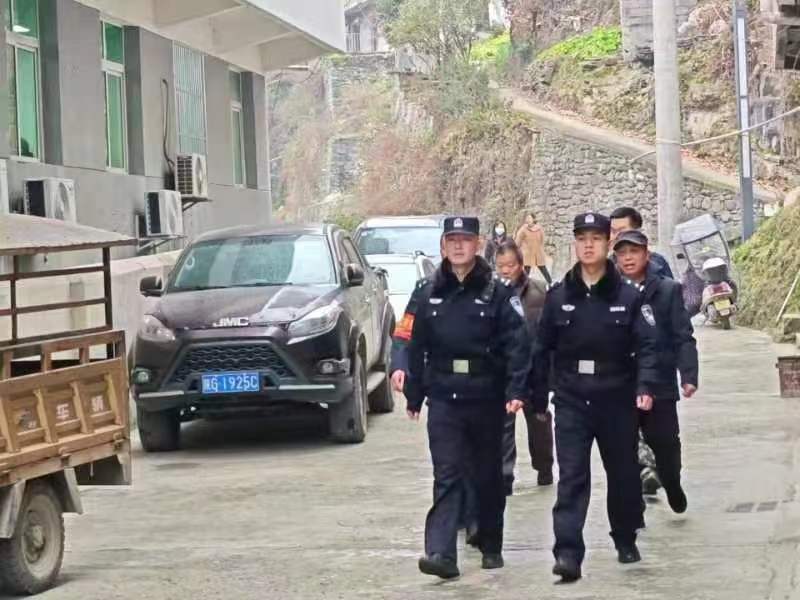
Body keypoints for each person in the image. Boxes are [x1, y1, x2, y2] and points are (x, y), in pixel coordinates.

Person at [528, 212, 659, 583]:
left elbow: (648, 346)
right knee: (571, 477)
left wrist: (645, 387)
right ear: (575, 244)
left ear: (607, 244)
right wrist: (538, 397)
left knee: (623, 474)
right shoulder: (559, 296)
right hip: (571, 398)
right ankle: (567, 553)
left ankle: (625, 536)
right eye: (582, 239)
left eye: (596, 239)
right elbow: (542, 348)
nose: (588, 245)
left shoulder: (628, 295)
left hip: (616, 397)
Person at [402, 216, 531, 579]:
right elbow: (415, 345)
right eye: (452, 240)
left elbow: (517, 344)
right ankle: (441, 553)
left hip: (485, 396)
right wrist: (414, 394)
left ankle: (490, 543)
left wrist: (516, 390)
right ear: (443, 246)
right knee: (446, 473)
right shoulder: (428, 291)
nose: (459, 246)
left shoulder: (497, 292)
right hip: (444, 396)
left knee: (487, 474)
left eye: (465, 240)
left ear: (478, 245)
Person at [613, 230, 699, 513]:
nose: (628, 258)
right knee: (624, 446)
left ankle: (672, 482)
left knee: (665, 443)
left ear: (646, 255)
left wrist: (688, 375)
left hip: (660, 381)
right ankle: (633, 503)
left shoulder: (667, 290)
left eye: (634, 252)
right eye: (622, 253)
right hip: (622, 382)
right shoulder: (609, 290)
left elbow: (683, 336)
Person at [493, 240, 554, 493]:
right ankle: (504, 477)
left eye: (510, 265)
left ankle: (545, 467)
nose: (506, 270)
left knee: (539, 422)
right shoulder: (491, 294)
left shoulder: (540, 290)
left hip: (535, 370)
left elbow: (550, 330)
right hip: (504, 371)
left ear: (520, 264)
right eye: (501, 266)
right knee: (503, 426)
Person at [609, 206, 674, 279]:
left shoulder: (657, 263)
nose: (616, 236)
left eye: (622, 231)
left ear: (637, 231)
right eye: (613, 231)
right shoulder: (606, 265)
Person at [514, 212, 553, 285]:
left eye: (529, 218)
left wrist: (540, 248)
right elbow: (518, 240)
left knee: (543, 269)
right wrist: (517, 249)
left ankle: (550, 283)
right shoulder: (523, 229)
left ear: (533, 219)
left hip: (538, 252)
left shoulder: (539, 229)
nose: (528, 220)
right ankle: (523, 286)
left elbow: (542, 239)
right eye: (527, 218)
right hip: (527, 253)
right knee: (527, 270)